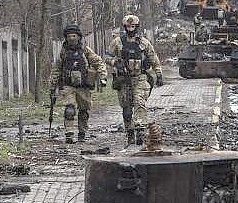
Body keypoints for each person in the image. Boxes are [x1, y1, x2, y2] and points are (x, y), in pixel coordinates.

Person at [108, 15, 164, 145]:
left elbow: (153, 58)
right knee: (127, 109)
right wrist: (115, 62)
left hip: (140, 78)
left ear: (137, 27)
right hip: (124, 80)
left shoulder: (144, 43)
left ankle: (140, 131)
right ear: (124, 27)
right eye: (128, 27)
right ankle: (129, 133)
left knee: (139, 103)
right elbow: (106, 56)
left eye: (133, 27)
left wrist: (159, 74)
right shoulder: (117, 42)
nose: (130, 29)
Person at [50, 24, 108, 143]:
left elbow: (98, 62)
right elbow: (56, 69)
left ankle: (82, 133)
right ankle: (69, 134)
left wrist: (103, 76)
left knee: (83, 111)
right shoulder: (63, 52)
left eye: (74, 36)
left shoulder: (85, 50)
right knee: (69, 110)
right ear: (66, 38)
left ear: (78, 37)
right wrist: (52, 85)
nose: (72, 38)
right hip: (68, 85)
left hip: (83, 86)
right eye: (69, 36)